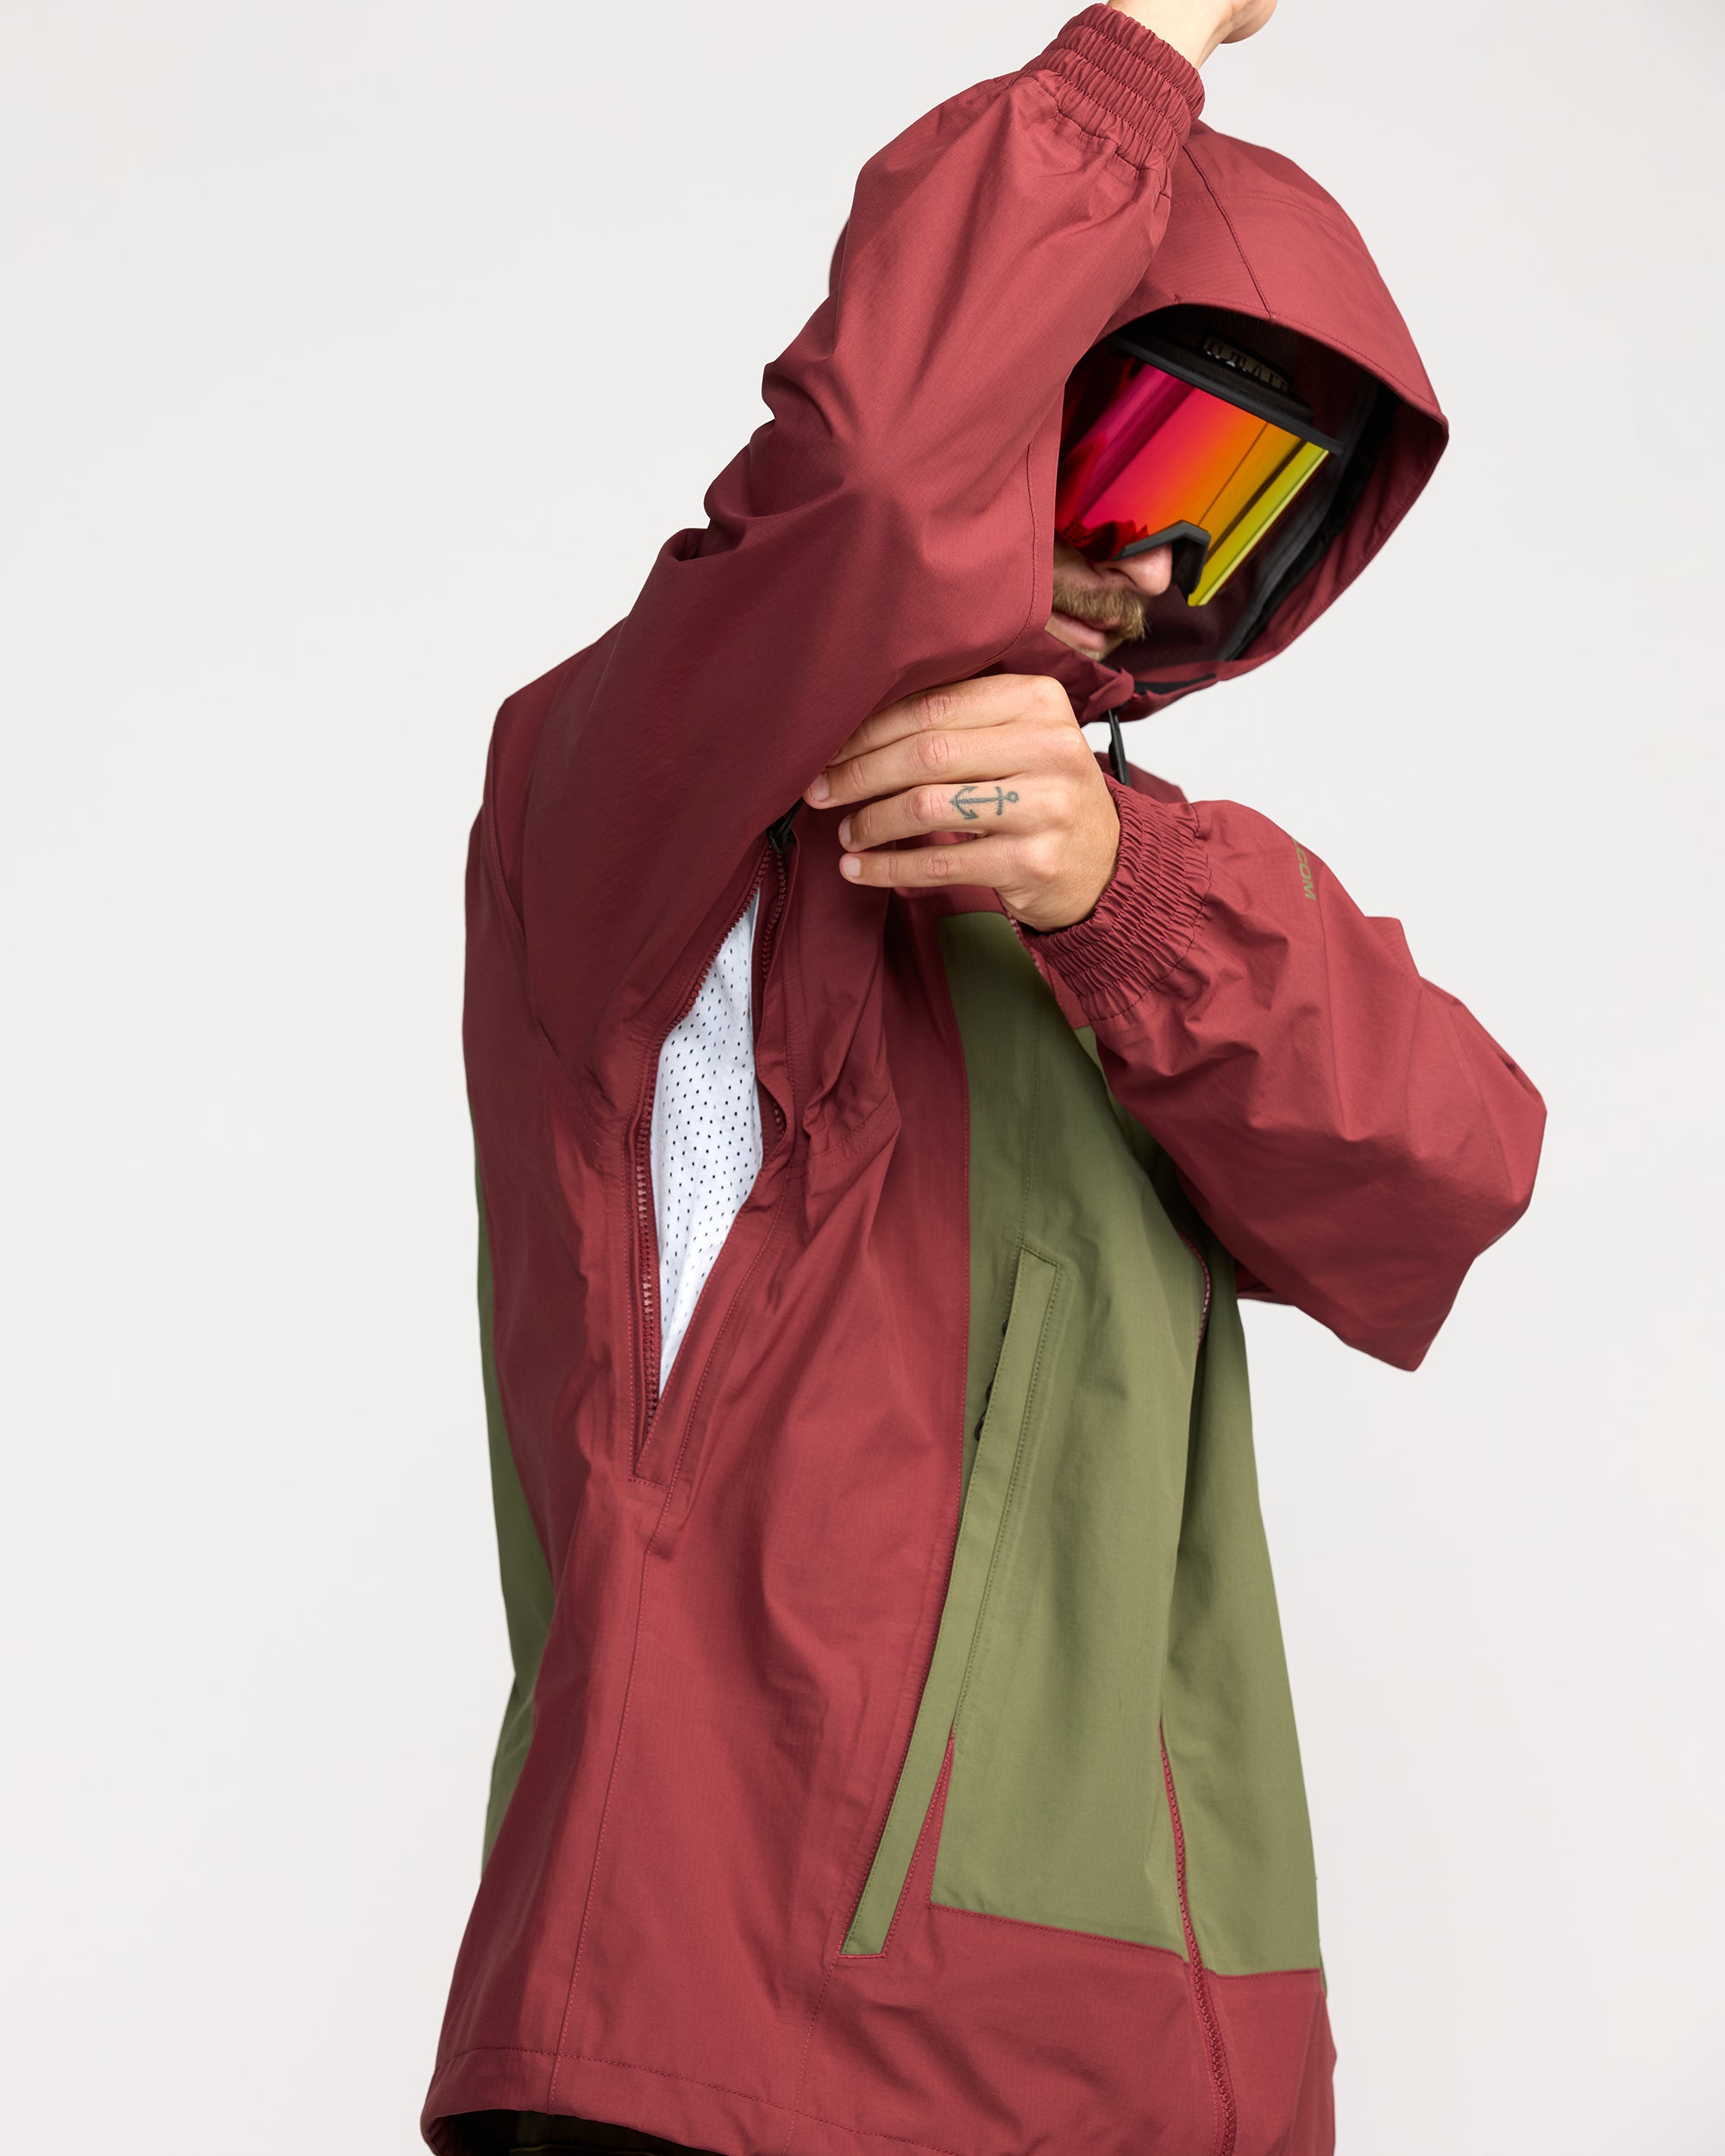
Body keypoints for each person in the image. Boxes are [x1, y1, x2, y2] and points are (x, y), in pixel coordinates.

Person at [423, 3, 1546, 2151]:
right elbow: (862, 492)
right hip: (733, 2045)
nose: (1169, 562)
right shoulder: (643, 806)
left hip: (1149, 2065)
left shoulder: (1150, 908)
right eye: (1155, 460)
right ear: (1020, 400)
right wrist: (1134, 56)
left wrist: (1117, 892)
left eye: (1252, 510)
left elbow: (1447, 1174)